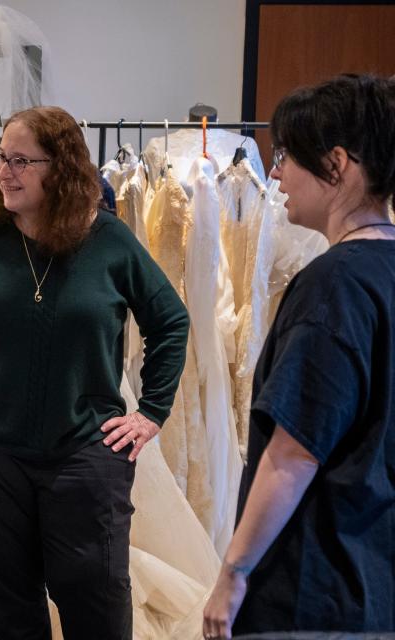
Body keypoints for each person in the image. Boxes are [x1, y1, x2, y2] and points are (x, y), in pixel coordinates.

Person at [0, 106, 190, 639]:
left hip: (85, 456)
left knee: (95, 604)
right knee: (9, 605)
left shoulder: (110, 242)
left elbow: (171, 322)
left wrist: (151, 413)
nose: (4, 171)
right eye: (2, 157)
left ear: (63, 168)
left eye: (21, 160)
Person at [203, 74, 395, 639]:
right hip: (376, 584)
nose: (277, 173)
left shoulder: (333, 285)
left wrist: (232, 573)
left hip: (315, 591)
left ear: (336, 164)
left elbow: (294, 455)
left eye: (286, 155)